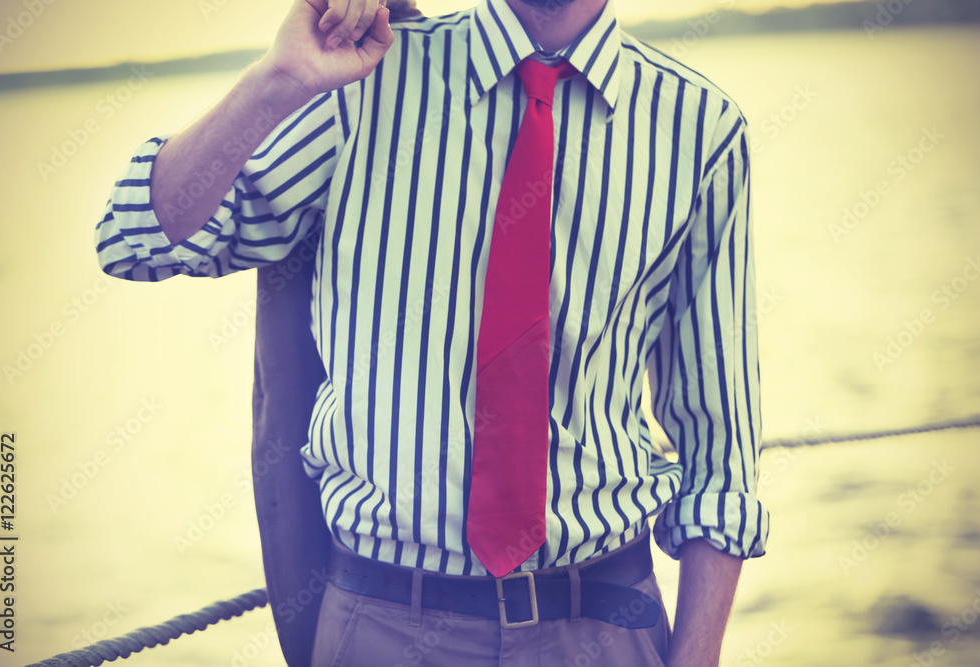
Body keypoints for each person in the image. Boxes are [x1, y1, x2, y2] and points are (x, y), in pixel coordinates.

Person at [94, 0, 769, 664]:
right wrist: (281, 79)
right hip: (380, 629)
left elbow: (721, 455)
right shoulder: (363, 84)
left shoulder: (701, 130)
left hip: (605, 628)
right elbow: (137, 241)